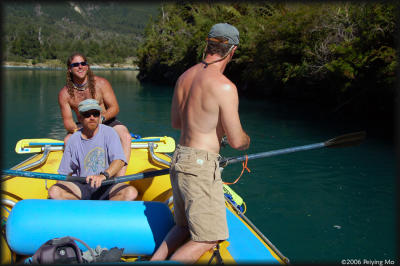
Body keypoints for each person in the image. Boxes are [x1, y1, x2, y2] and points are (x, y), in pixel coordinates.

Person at [150, 23, 250, 263]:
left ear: (208, 44)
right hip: (200, 166)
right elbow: (237, 141)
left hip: (180, 157)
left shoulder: (184, 77)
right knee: (206, 239)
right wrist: (246, 139)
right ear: (232, 50)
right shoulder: (225, 86)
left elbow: (177, 122)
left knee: (183, 228)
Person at [48, 99, 138, 201]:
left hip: (106, 184)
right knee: (54, 192)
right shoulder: (73, 139)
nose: (92, 118)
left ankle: (100, 209)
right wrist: (61, 188)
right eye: (87, 115)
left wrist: (103, 176)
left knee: (130, 193)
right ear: (80, 118)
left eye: (95, 114)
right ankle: (85, 207)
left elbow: (120, 161)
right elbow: (64, 173)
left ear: (99, 116)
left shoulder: (110, 132)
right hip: (81, 185)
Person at [58, 52, 131, 176]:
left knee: (125, 135)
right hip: (84, 124)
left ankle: (120, 179)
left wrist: (101, 119)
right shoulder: (64, 93)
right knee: (68, 139)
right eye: (75, 65)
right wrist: (78, 130)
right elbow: (68, 122)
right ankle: (76, 180)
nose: (80, 67)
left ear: (87, 67)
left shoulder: (101, 83)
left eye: (83, 63)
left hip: (106, 120)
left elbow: (114, 108)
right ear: (69, 69)